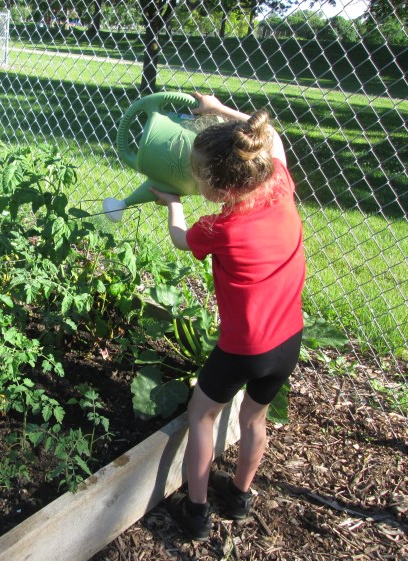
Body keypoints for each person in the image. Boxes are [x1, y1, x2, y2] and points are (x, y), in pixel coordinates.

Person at [150, 92, 306, 541]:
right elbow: (271, 136)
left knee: (203, 414)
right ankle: (239, 496)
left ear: (218, 188)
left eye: (198, 175)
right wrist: (218, 109)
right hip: (288, 340)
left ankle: (195, 512)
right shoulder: (279, 184)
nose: (194, 178)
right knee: (255, 418)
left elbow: (181, 239)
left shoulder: (220, 228)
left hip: (243, 347)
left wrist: (173, 204)